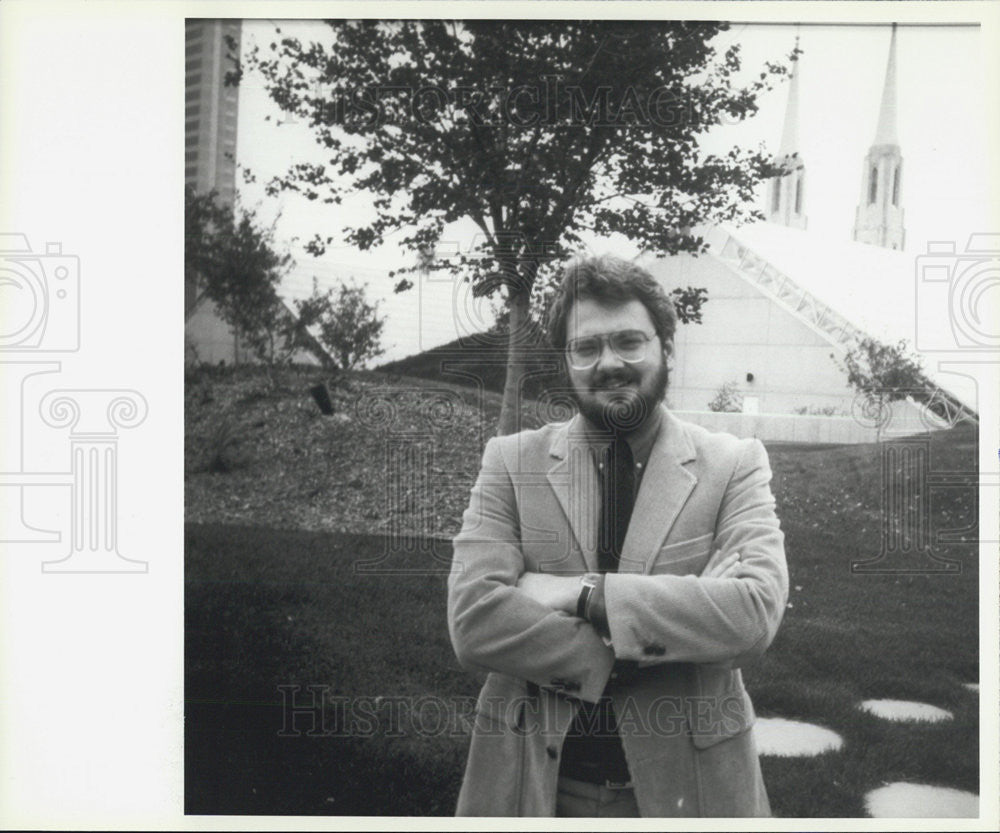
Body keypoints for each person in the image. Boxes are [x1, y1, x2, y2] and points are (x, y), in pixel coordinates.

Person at [446, 254, 788, 817]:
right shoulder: (511, 462)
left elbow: (753, 614)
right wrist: (679, 624)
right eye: (587, 347)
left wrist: (580, 595)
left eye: (629, 341)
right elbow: (474, 621)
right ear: (567, 361)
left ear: (666, 348)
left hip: (689, 794)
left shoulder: (733, 465)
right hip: (536, 789)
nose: (609, 363)